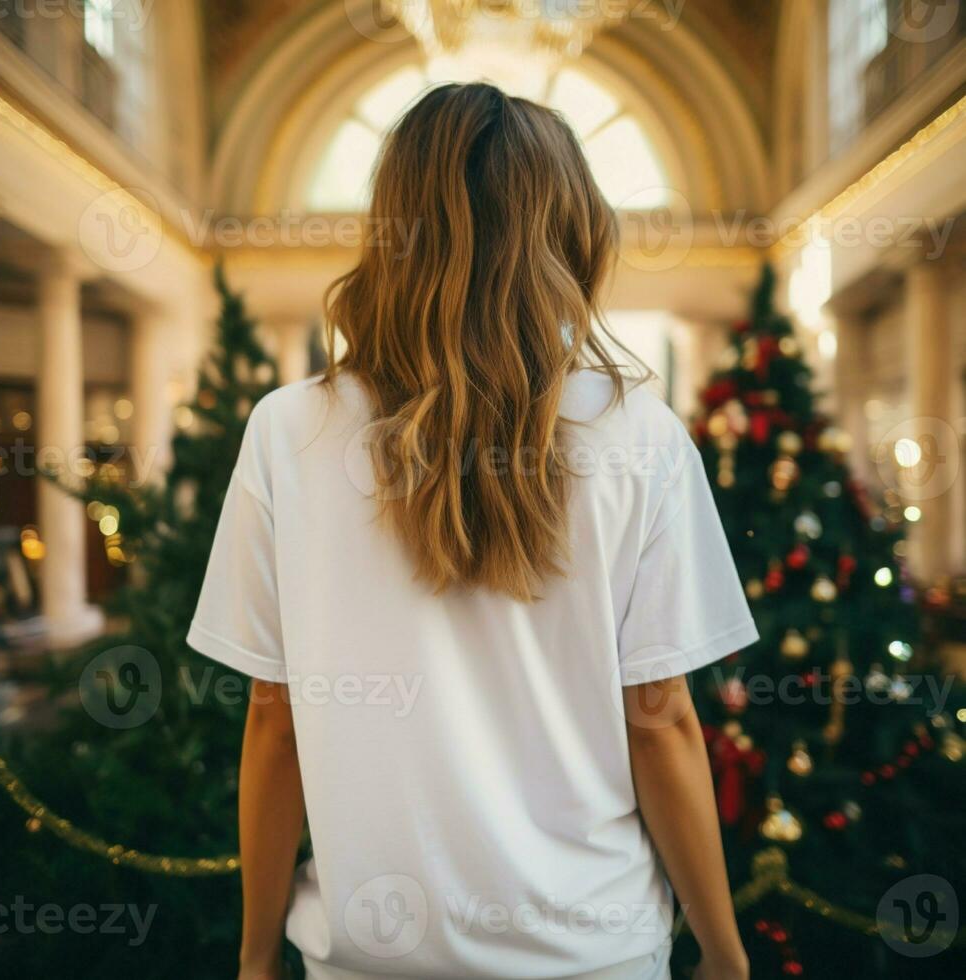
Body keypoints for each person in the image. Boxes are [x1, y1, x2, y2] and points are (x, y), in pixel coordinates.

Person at [188, 82, 757, 980]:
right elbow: (662, 725)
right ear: (570, 229)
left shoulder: (290, 431)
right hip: (592, 952)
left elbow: (277, 723)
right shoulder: (639, 435)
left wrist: (256, 958)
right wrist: (727, 955)